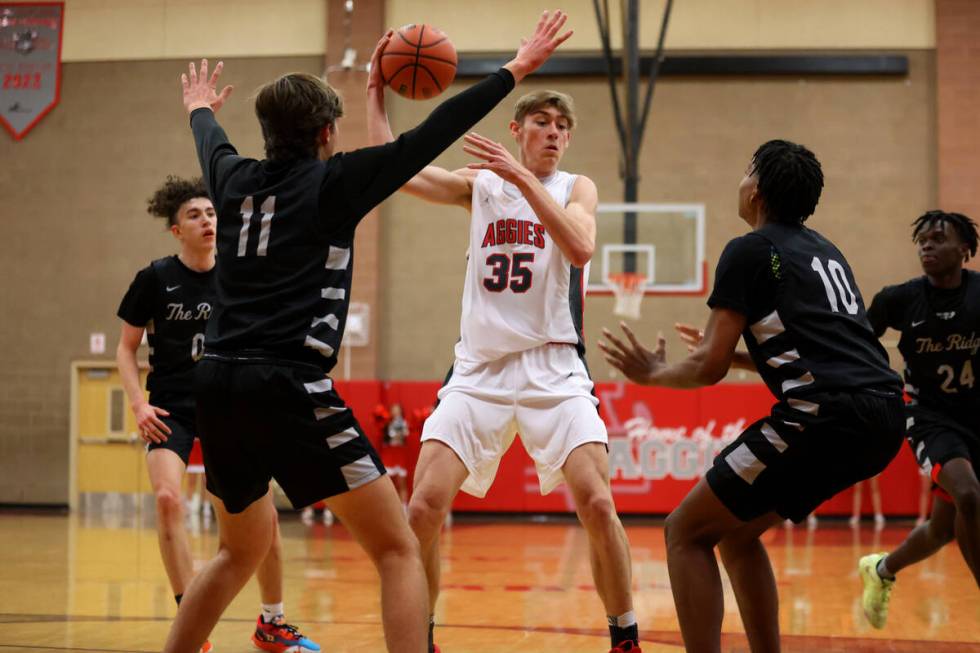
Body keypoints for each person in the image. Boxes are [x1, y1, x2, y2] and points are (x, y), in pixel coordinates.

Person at [161, 11, 572, 653]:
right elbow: (435, 133)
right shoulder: (335, 183)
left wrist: (200, 108)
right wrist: (514, 70)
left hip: (215, 383)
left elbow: (210, 142)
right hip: (287, 384)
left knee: (236, 554)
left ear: (267, 132)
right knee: (398, 548)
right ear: (328, 132)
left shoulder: (232, 180)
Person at [368, 79, 641, 652]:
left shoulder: (575, 188)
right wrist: (376, 104)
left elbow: (581, 247)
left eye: (563, 127)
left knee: (596, 501)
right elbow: (398, 173)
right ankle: (423, 635)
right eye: (542, 122)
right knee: (421, 507)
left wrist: (522, 181)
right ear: (515, 131)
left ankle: (624, 636)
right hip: (479, 371)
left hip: (554, 366)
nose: (554, 134)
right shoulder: (482, 186)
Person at [599, 140, 905, 653]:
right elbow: (826, 346)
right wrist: (745, 357)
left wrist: (654, 372)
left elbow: (707, 368)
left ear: (757, 190)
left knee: (684, 532)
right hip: (884, 414)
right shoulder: (824, 250)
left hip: (825, 415)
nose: (740, 181)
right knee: (737, 536)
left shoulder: (749, 249)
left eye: (746, 171)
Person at [116, 177, 319, 653]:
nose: (207, 220)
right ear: (175, 230)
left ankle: (273, 621)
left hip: (230, 404)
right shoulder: (155, 278)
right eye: (195, 215)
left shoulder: (237, 273)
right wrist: (138, 404)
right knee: (168, 498)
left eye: (211, 213)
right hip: (171, 407)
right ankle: (194, 616)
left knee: (261, 514)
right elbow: (126, 349)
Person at [858, 209, 980, 628]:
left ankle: (881, 569)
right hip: (930, 417)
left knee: (942, 530)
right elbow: (854, 344)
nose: (926, 245)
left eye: (938, 239)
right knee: (967, 494)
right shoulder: (899, 299)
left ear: (964, 250)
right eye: (922, 239)